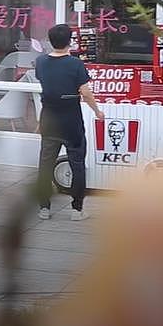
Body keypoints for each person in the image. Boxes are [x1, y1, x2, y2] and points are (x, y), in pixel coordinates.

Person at [34, 24, 105, 221]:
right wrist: (97, 111)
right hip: (71, 120)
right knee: (77, 164)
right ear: (70, 41)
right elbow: (86, 92)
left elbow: (49, 88)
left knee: (45, 163)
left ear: (50, 41)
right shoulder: (75, 64)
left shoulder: (40, 62)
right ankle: (77, 209)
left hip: (49, 117)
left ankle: (44, 208)